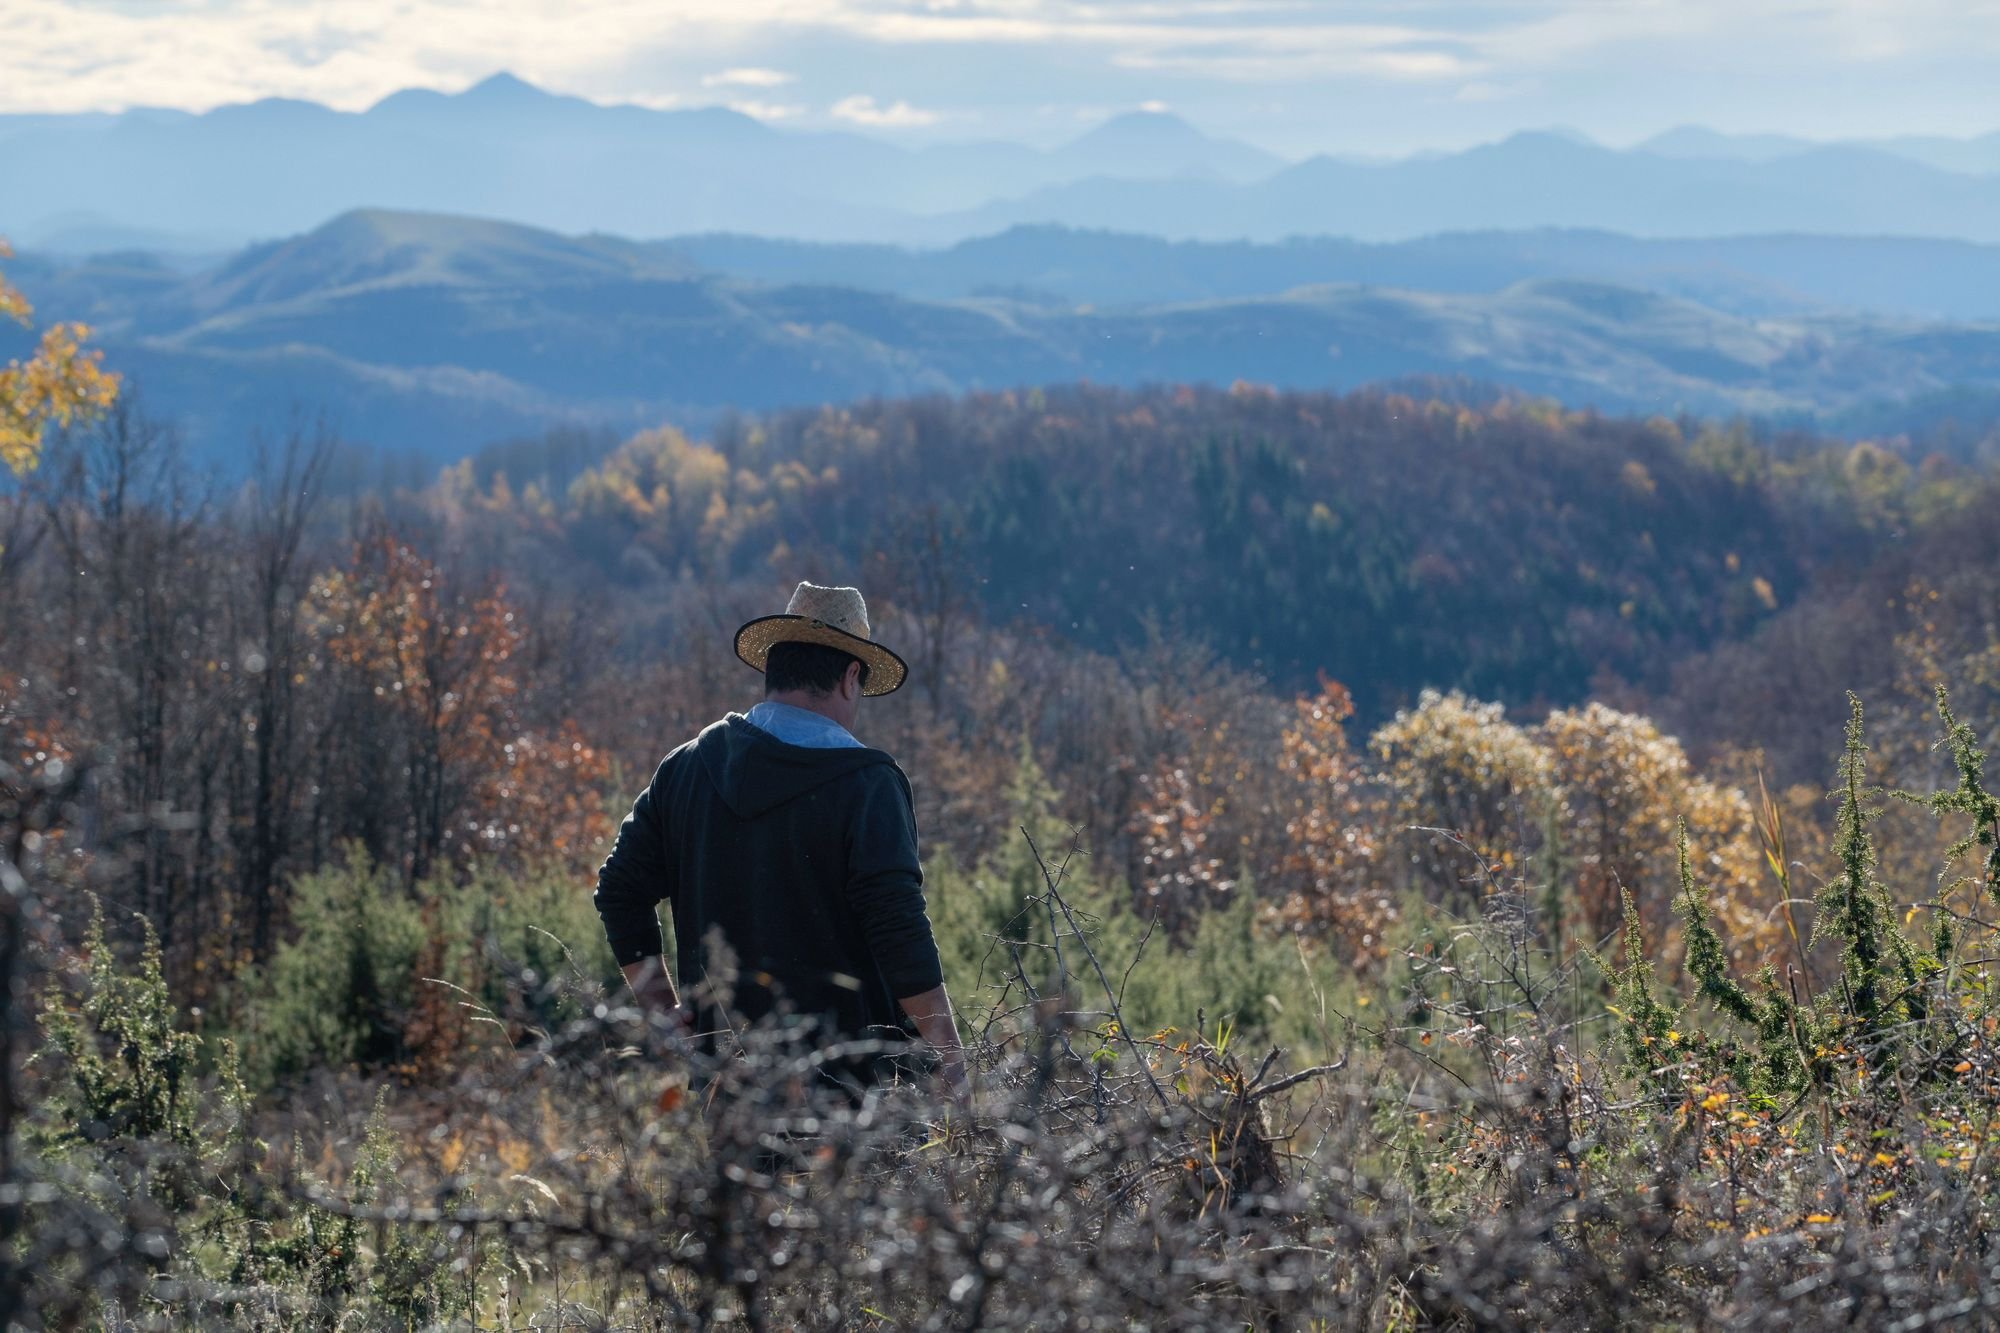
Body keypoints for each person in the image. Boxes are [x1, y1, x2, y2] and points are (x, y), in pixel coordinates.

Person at [593, 581, 967, 1101]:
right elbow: (897, 928)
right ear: (851, 676)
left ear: (775, 669)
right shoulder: (866, 783)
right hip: (854, 1091)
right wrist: (950, 1060)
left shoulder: (687, 768)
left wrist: (665, 1017)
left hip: (731, 1084)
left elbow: (618, 891)